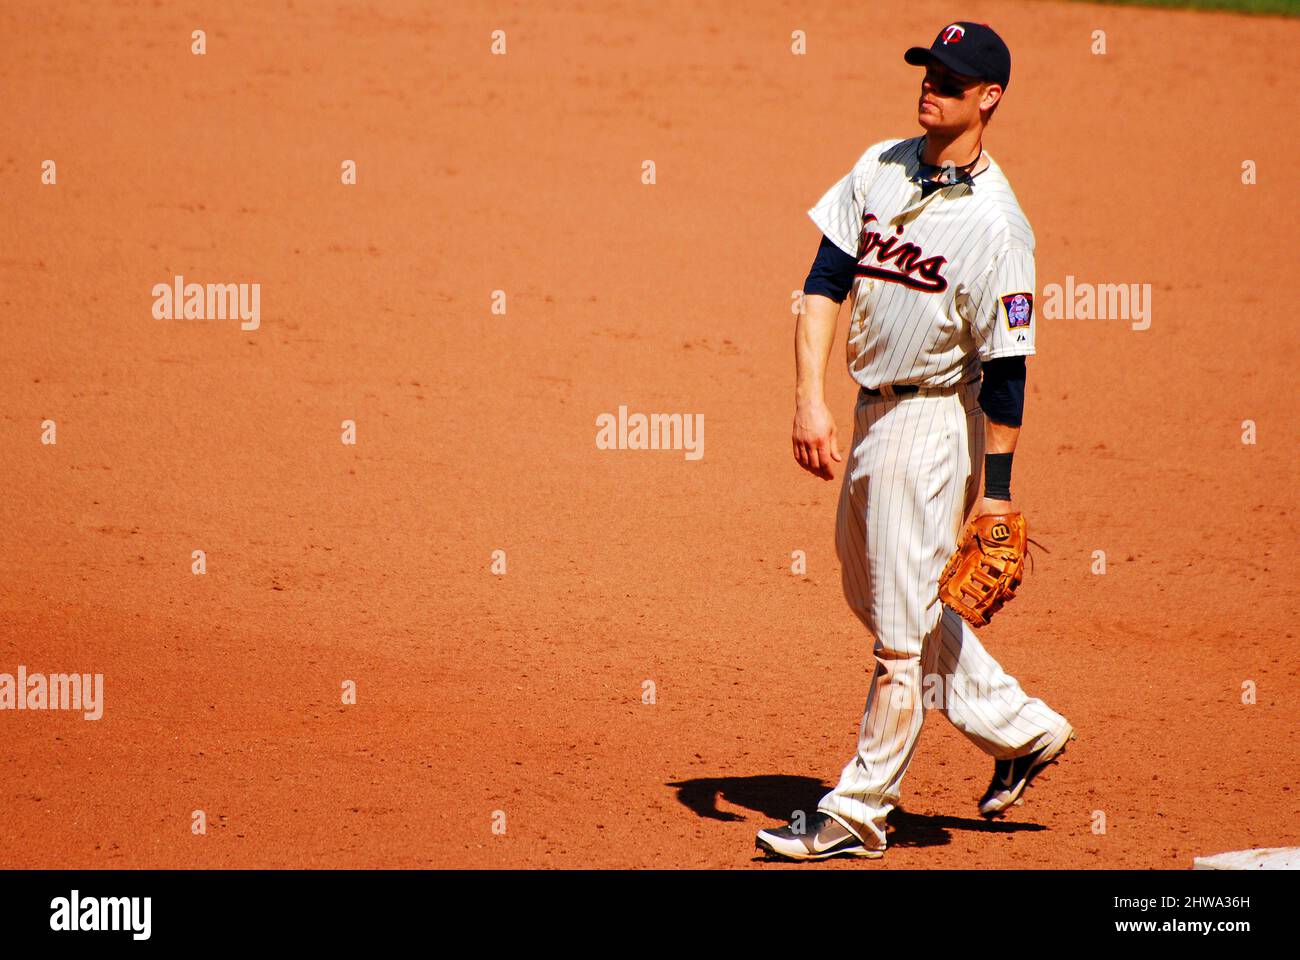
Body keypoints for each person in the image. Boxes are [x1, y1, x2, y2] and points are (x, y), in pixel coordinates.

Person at [756, 21, 1074, 862]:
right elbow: (825, 280)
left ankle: (859, 810)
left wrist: (995, 488)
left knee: (899, 630)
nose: (930, 84)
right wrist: (808, 400)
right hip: (866, 414)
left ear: (989, 98)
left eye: (950, 77)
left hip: (935, 422)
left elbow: (1008, 368)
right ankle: (1021, 729)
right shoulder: (881, 166)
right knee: (876, 594)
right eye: (928, 69)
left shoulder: (1001, 228)